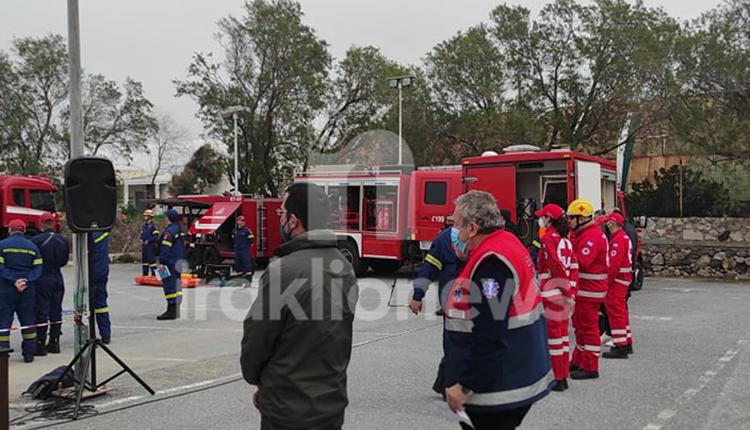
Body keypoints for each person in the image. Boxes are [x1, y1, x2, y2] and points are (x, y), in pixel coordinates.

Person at [241, 183, 359, 430]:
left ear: (294, 221)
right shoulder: (344, 267)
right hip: (331, 403)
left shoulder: (283, 271)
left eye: (281, 213)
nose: (280, 219)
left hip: (287, 408)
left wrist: (259, 381)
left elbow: (258, 338)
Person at [443, 191, 553, 430]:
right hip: (513, 373)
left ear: (472, 229)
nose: (452, 231)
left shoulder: (491, 264)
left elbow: (490, 332)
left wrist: (465, 386)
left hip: (497, 388)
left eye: (454, 224)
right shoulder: (507, 243)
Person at [409, 219, 462, 396]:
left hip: (475, 301)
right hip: (454, 300)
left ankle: (445, 383)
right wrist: (417, 295)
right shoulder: (444, 239)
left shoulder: (480, 238)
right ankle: (449, 385)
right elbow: (430, 268)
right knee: (455, 343)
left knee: (463, 343)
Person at [567, 199, 609, 380]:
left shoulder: (591, 236)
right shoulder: (584, 234)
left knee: (589, 328)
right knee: (580, 327)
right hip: (584, 290)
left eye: (571, 218)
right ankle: (579, 360)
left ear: (581, 218)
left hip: (590, 290)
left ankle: (591, 366)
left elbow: (582, 262)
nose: (568, 222)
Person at [535, 204, 575, 391]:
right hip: (562, 291)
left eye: (543, 216)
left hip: (552, 290)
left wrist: (566, 292)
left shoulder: (549, 238)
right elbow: (572, 267)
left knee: (554, 337)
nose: (541, 219)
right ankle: (563, 374)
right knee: (563, 336)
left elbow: (554, 265)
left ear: (549, 219)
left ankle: (558, 378)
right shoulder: (565, 239)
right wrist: (570, 293)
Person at [0, 219, 43, 362]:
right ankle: (29, 354)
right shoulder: (32, 247)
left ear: (10, 230)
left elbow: (0, 268)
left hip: (6, 289)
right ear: (24, 231)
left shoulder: (2, 245)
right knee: (28, 321)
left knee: (4, 321)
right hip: (27, 289)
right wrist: (25, 280)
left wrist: (14, 280)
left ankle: (3, 353)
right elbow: (38, 268)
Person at [31, 212, 70, 355]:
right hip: (57, 276)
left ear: (40, 224)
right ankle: (54, 342)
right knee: (56, 310)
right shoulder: (63, 240)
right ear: (53, 223)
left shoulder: (36, 241)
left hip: (43, 277)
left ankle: (40, 343)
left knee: (42, 310)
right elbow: (64, 261)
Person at [602, 212, 634, 358]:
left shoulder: (617, 240)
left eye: (609, 222)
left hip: (617, 281)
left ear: (612, 223)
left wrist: (605, 283)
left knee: (615, 313)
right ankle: (626, 342)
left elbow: (614, 265)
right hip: (623, 280)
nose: (607, 224)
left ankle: (620, 345)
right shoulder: (623, 237)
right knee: (621, 312)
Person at [157, 209, 185, 320]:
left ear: (168, 218)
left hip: (169, 263)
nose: (164, 219)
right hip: (178, 262)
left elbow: (165, 248)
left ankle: (171, 311)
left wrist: (161, 262)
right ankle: (176, 309)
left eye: (165, 217)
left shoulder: (169, 232)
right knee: (177, 286)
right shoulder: (179, 229)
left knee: (168, 285)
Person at [89, 231, 112, 344]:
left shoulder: (91, 235)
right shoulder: (104, 232)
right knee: (101, 303)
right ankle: (105, 334)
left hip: (93, 271)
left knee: (89, 304)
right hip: (102, 269)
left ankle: (90, 335)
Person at [233, 215, 255, 283]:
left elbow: (251, 240)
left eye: (244, 221)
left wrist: (246, 246)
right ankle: (239, 279)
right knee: (238, 264)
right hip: (237, 250)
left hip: (244, 250)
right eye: (241, 221)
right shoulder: (234, 230)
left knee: (246, 264)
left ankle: (248, 280)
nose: (243, 222)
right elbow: (233, 239)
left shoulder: (247, 230)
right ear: (237, 222)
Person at [140, 209, 159, 276]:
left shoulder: (153, 226)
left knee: (152, 261)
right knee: (145, 261)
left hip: (151, 246)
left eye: (146, 216)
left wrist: (149, 240)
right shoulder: (144, 226)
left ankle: (154, 275)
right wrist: (141, 239)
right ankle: (145, 275)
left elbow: (156, 236)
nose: (144, 217)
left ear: (149, 217)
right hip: (144, 246)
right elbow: (142, 235)